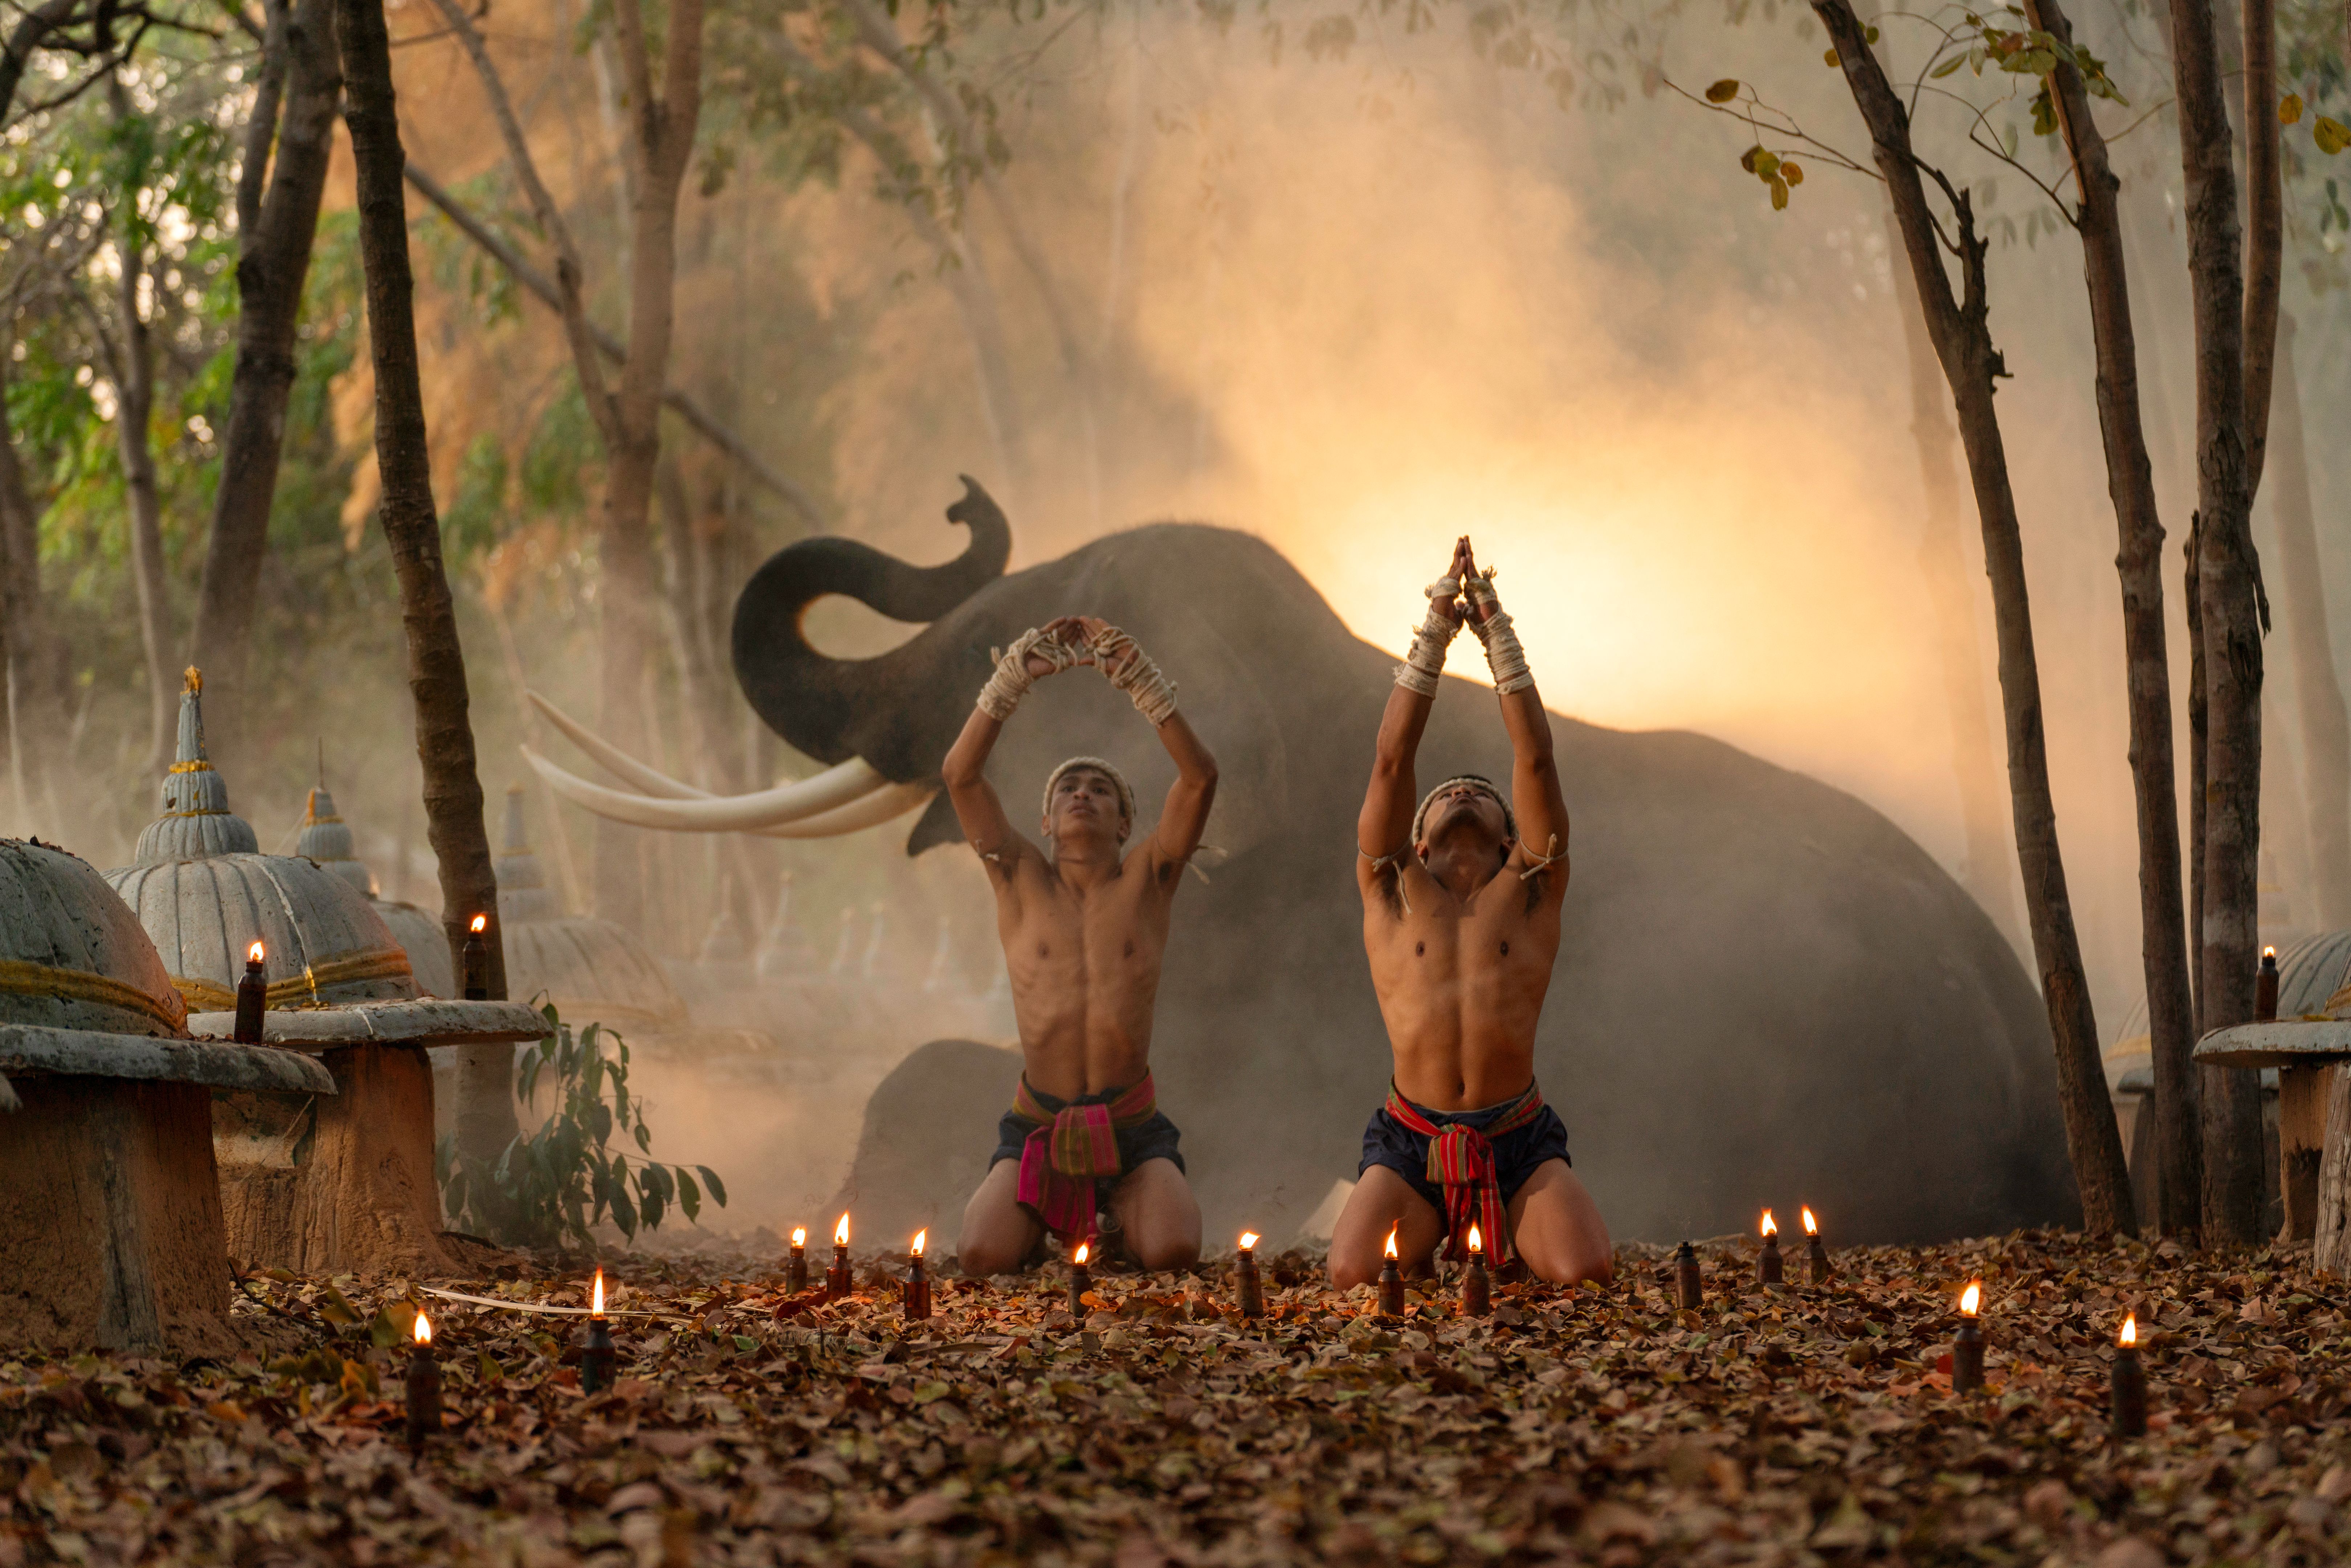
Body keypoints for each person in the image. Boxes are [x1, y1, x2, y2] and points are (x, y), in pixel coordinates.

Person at [1330, 538, 1613, 1288]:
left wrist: (1496, 635)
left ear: (1510, 839)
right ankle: (1433, 1228)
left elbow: (1536, 760)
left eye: (1479, 794)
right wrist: (1432, 632)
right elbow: (1391, 761)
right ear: (1418, 842)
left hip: (1517, 1133)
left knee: (1585, 1271)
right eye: (1445, 794)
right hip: (1411, 1135)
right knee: (1352, 1273)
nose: (1461, 791)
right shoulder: (1390, 887)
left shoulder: (1533, 889)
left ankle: (1505, 1222)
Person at [944, 615, 1217, 1275]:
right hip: (1038, 1119)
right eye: (1068, 788)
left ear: (1125, 825)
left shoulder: (1149, 880)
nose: (1082, 795)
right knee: (980, 1254)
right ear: (1044, 821)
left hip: (1131, 1124)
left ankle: (1119, 1212)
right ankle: (1046, 1214)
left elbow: (1200, 779)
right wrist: (1010, 680)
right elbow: (960, 776)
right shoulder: (1017, 877)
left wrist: (1141, 680)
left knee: (1174, 1251)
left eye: (1100, 791)